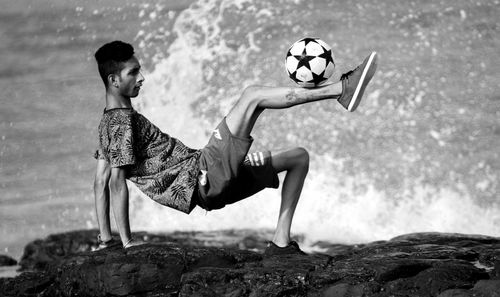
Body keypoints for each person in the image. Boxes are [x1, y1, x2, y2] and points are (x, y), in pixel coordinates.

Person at [92, 40, 378, 254]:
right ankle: (340, 90)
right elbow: (116, 183)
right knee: (252, 96)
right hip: (203, 173)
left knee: (298, 158)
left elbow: (99, 183)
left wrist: (107, 240)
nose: (141, 78)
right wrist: (128, 244)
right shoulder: (120, 124)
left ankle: (280, 242)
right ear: (114, 81)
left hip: (209, 188)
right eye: (133, 72)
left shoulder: (108, 124)